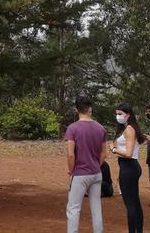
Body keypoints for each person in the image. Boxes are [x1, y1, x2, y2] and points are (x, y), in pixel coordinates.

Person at [65, 95, 106, 233]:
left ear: (77, 110)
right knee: (96, 208)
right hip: (96, 173)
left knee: (74, 208)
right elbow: (103, 154)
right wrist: (95, 165)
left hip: (79, 173)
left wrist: (71, 171)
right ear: (90, 109)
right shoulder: (101, 128)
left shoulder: (72, 128)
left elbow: (71, 154)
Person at [111, 102, 145, 233]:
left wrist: (114, 150)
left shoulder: (129, 130)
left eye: (120, 114)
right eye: (117, 114)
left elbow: (129, 154)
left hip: (129, 167)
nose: (118, 116)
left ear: (128, 115)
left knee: (130, 204)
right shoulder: (127, 128)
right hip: (129, 168)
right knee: (135, 202)